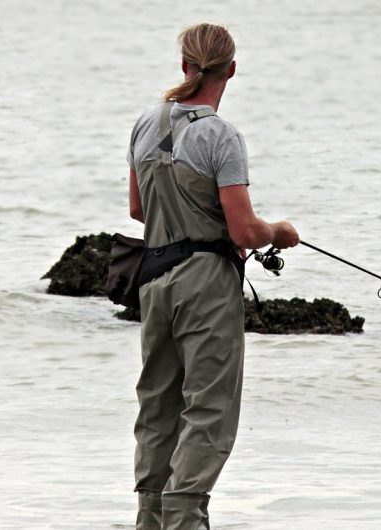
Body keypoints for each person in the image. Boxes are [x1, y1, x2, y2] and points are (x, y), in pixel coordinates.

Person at [126, 23, 300, 530]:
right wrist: (280, 231)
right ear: (232, 70)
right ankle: (185, 518)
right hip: (205, 283)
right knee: (209, 408)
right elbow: (245, 230)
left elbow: (139, 210)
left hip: (153, 281)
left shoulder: (144, 124)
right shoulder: (220, 135)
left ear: (185, 65)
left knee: (157, 405)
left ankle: (149, 519)